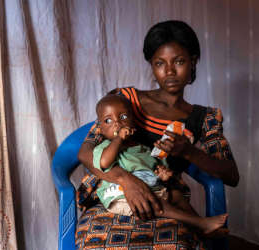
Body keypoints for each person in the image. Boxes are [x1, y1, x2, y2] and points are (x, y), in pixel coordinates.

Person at [76, 20, 239, 249]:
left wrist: (189, 152)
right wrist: (126, 180)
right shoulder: (125, 101)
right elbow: (85, 153)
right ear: (152, 66)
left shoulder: (204, 118)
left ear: (193, 62)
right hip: (112, 198)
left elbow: (231, 175)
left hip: (165, 200)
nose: (169, 71)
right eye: (160, 63)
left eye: (179, 61)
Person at [92, 94, 228, 235]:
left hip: (150, 189)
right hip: (120, 196)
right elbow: (104, 162)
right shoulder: (105, 147)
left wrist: (163, 175)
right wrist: (118, 139)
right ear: (101, 129)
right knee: (154, 202)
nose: (117, 123)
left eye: (123, 117)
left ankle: (200, 228)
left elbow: (154, 170)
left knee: (176, 195)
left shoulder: (143, 148)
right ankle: (201, 223)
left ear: (133, 121)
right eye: (108, 120)